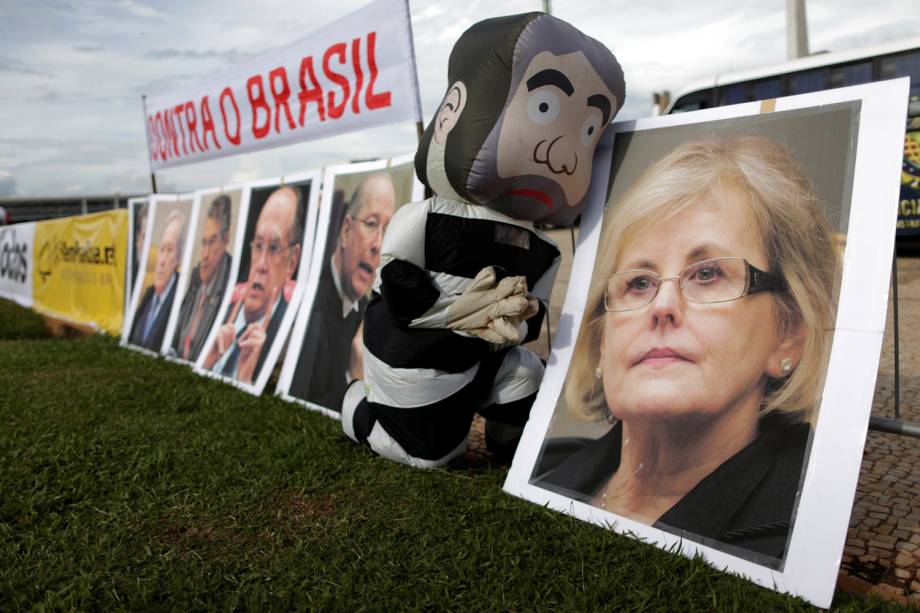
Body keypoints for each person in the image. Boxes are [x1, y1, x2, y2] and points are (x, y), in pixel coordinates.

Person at [534, 136, 840, 565]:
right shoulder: (544, 468)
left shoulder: (801, 540)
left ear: (788, 332)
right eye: (638, 282)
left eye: (708, 274)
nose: (662, 306)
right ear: (603, 340)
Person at [340, 13, 625, 468]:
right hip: (418, 359)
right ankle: (359, 408)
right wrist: (467, 313)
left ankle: (510, 442)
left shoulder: (541, 247)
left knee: (526, 373)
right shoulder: (423, 219)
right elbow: (401, 297)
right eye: (545, 108)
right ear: (453, 111)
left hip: (482, 360)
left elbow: (530, 324)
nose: (563, 151)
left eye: (588, 130)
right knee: (432, 456)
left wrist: (510, 317)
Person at [288, 173, 396, 410]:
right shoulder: (309, 304)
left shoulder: (368, 311)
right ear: (346, 231)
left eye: (387, 231)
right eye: (371, 223)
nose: (378, 244)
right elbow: (295, 408)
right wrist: (355, 381)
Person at [202, 186, 303, 384]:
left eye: (273, 248)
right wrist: (205, 363)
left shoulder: (289, 337)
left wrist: (245, 380)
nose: (261, 265)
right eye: (258, 246)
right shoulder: (220, 311)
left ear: (291, 261)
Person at [170, 195, 233, 361]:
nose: (204, 255)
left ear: (225, 239)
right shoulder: (196, 277)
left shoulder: (231, 283)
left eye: (212, 243)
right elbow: (177, 330)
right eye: (204, 243)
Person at [129, 209, 186, 351]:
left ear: (178, 259)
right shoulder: (149, 294)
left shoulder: (182, 300)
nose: (162, 260)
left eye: (170, 249)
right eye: (161, 249)